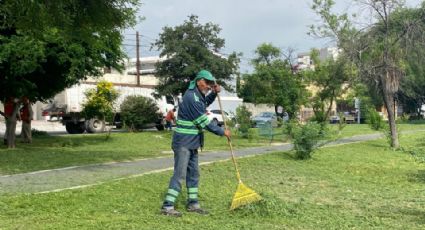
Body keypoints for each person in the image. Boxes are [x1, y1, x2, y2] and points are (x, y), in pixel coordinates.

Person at [160, 70, 231, 217]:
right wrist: (222, 131)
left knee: (193, 174)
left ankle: (193, 204)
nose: (209, 85)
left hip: (192, 143)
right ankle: (167, 207)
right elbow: (203, 121)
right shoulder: (191, 97)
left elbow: (204, 103)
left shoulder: (198, 95)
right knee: (180, 174)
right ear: (199, 81)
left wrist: (213, 94)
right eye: (207, 83)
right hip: (183, 143)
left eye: (211, 83)